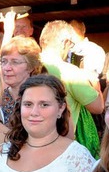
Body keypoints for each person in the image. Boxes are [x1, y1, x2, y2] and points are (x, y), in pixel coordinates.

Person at [40, 20, 104, 155]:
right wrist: (94, 82)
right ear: (65, 42)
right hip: (64, 143)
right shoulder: (69, 71)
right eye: (71, 45)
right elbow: (98, 107)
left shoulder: (28, 66)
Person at [0, 35, 44, 122]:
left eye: (15, 62)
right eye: (4, 61)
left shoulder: (44, 98)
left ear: (31, 67)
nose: (7, 68)